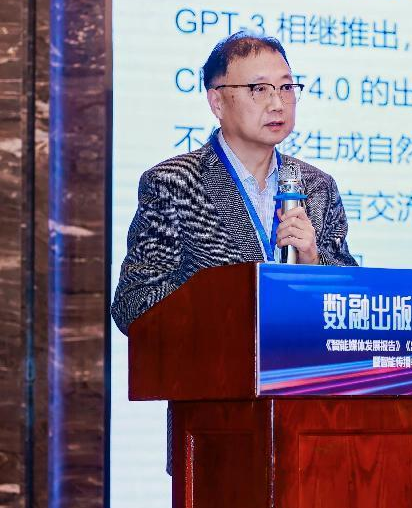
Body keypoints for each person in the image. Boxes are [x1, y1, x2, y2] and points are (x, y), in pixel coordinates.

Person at [111, 32, 357, 335]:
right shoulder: (173, 183)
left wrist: (314, 264)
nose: (277, 103)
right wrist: (233, 302)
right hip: (213, 362)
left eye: (286, 87)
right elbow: (133, 304)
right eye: (259, 89)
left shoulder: (318, 186)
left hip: (298, 363)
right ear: (217, 102)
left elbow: (354, 303)